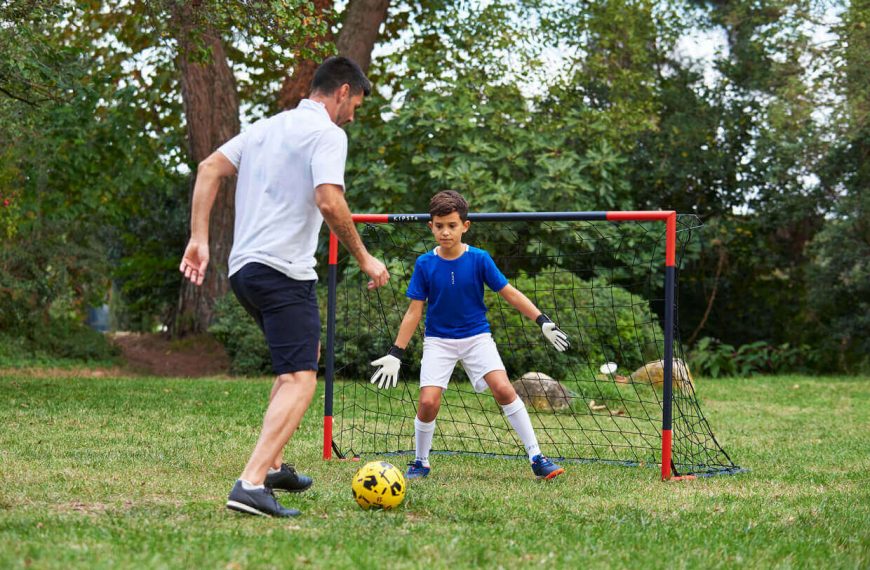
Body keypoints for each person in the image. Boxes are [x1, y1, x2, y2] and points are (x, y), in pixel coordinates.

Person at [179, 56, 389, 518]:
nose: (353, 113)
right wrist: (365, 257)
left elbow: (209, 166)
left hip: (245, 271)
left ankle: (273, 466)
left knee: (298, 360)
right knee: (301, 379)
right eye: (355, 102)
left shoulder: (266, 128)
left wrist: (199, 238)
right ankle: (251, 483)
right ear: (341, 92)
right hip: (282, 272)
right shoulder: (328, 134)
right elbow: (329, 200)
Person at [369, 190, 569, 480]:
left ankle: (537, 457)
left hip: (477, 338)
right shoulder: (425, 264)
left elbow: (509, 293)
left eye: (452, 225)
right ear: (431, 226)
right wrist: (396, 352)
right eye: (439, 226)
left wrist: (541, 320)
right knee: (427, 402)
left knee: (503, 389)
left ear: (465, 225)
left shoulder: (479, 259)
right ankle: (420, 461)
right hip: (438, 341)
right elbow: (414, 311)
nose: (445, 232)